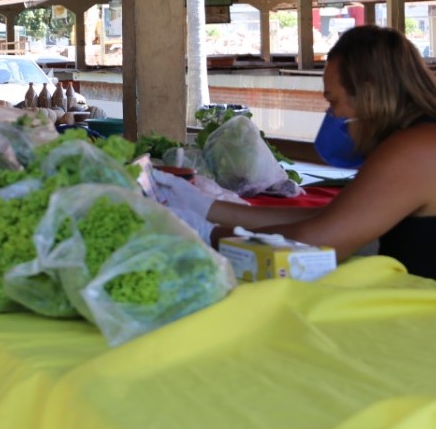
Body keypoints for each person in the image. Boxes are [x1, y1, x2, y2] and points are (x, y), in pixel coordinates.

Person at [155, 26, 436, 279]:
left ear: (368, 93)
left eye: (333, 100)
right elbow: (330, 217)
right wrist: (208, 207)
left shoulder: (415, 149)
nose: (332, 114)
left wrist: (207, 234)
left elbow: (318, 240)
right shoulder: (417, 139)